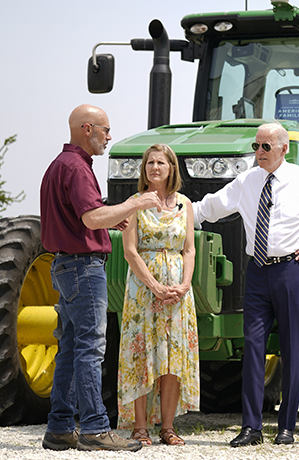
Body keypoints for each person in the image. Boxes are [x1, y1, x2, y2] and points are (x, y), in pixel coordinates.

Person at [193, 122, 299, 447]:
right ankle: (251, 427)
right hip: (257, 272)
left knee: (292, 347)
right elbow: (208, 208)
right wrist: (173, 211)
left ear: (284, 149)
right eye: (256, 146)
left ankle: (287, 427)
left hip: (292, 271)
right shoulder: (246, 182)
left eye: (266, 147)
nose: (259, 153)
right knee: (253, 348)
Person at [40, 104, 162, 452]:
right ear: (87, 128)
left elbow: (82, 217)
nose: (109, 137)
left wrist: (114, 216)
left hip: (63, 266)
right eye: (105, 130)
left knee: (69, 348)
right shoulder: (78, 168)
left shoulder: (57, 166)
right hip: (83, 268)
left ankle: (60, 427)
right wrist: (135, 205)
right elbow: (92, 219)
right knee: (90, 350)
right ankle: (94, 428)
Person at [117, 143, 200, 446]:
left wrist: (185, 284)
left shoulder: (185, 205)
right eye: (150, 163)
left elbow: (189, 249)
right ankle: (140, 427)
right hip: (143, 289)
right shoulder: (134, 202)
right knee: (142, 354)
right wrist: (154, 285)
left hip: (178, 290)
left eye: (160, 163)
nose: (154, 167)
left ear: (171, 169)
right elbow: (129, 251)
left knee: (173, 357)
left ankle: (168, 427)